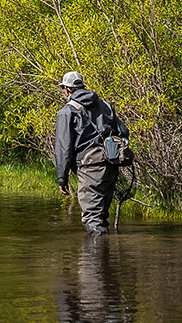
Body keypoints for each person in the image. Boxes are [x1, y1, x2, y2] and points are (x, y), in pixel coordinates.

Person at [55, 71, 130, 236]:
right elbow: (123, 131)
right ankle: (107, 258)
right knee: (101, 217)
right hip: (111, 166)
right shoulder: (105, 105)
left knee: (92, 220)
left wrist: (62, 178)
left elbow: (63, 148)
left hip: (89, 169)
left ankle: (95, 258)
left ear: (67, 90)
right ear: (82, 86)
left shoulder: (67, 112)